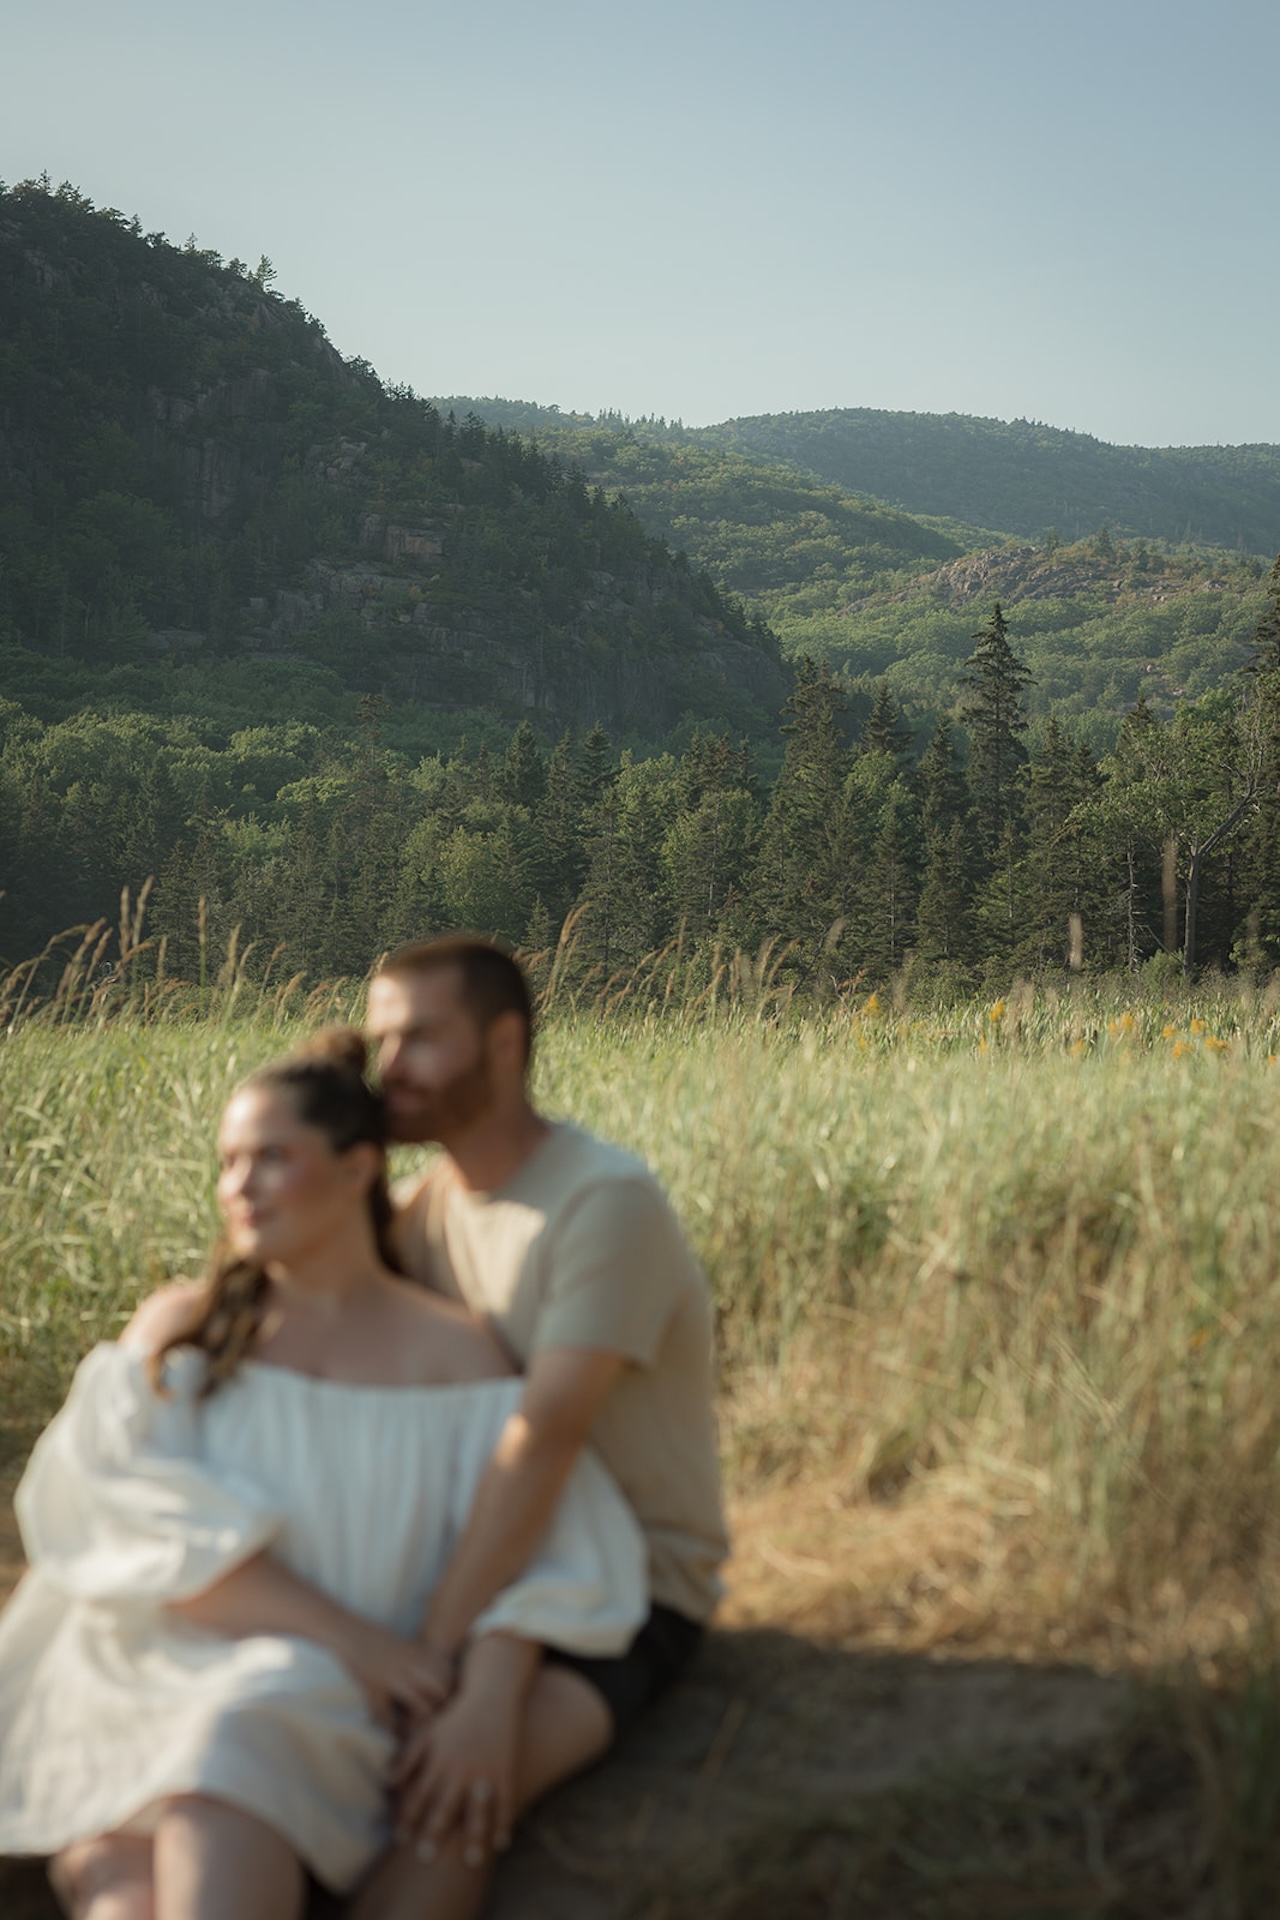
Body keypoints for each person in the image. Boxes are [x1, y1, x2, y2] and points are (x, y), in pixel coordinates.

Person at [0, 1032, 646, 1920]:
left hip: (311, 1702)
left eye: (272, 1159)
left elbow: (547, 1550)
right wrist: (362, 1642)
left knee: (228, 1746)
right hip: (142, 1666)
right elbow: (121, 1524)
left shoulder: (453, 1356)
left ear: (357, 1171)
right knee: (125, 1882)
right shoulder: (183, 1332)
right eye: (228, 1161)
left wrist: (483, 1686)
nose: (239, 1186)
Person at [364, 935, 729, 1898]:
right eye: (380, 1042)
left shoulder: (600, 1204)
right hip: (487, 1563)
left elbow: (544, 1442)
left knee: (441, 1801)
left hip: (627, 1590)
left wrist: (442, 1659)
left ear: (504, 1043)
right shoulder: (422, 1208)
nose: (389, 1069)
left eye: (419, 1039)